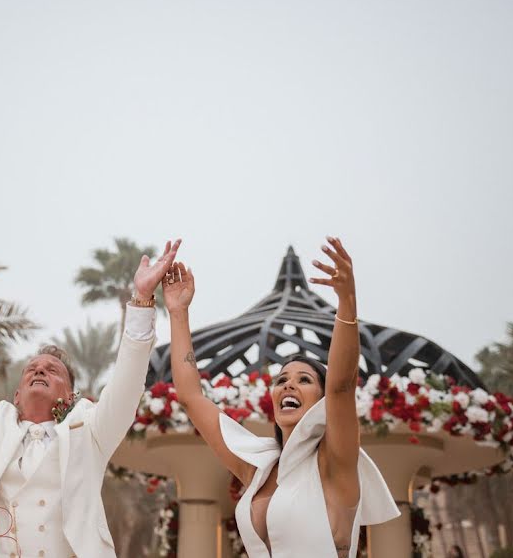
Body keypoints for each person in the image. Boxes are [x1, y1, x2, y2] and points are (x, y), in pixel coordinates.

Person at [0, 239, 180, 558]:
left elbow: (127, 384)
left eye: (53, 370)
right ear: (17, 394)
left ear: (70, 394)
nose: (40, 371)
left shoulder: (91, 433)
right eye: (32, 369)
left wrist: (142, 301)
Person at [162, 237, 399, 558]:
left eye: (304, 380)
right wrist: (178, 314)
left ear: (320, 399)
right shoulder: (257, 468)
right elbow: (191, 397)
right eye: (282, 379)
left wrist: (347, 301)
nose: (289, 385)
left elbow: (341, 386)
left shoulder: (336, 464)